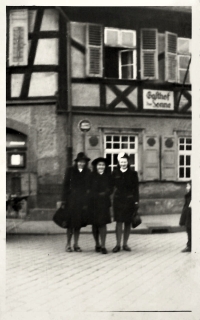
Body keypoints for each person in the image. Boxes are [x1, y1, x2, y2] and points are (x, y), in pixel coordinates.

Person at [61, 152, 91, 252]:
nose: (81, 163)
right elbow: (65, 186)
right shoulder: (70, 170)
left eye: (83, 162)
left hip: (81, 201)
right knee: (70, 224)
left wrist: (86, 202)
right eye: (80, 161)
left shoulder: (88, 172)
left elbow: (88, 188)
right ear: (76, 162)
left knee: (78, 224)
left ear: (86, 163)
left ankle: (76, 244)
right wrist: (63, 200)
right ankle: (68, 244)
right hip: (70, 200)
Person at [112, 152, 139, 253]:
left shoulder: (133, 174)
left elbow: (136, 189)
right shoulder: (115, 173)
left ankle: (125, 244)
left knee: (127, 222)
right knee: (119, 222)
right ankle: (117, 244)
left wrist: (136, 202)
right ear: (119, 162)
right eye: (121, 162)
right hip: (118, 201)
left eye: (125, 161)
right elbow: (111, 186)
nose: (123, 163)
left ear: (128, 162)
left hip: (129, 200)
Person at [90, 157, 113, 254]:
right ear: (96, 166)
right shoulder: (91, 176)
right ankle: (97, 244)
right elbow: (88, 189)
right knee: (95, 224)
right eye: (99, 165)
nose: (101, 167)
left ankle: (103, 245)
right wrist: (95, 195)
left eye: (103, 165)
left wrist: (106, 193)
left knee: (103, 223)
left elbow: (111, 188)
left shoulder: (108, 176)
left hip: (104, 203)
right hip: (93, 202)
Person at [180, 181, 192, 252]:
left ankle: (190, 245)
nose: (186, 188)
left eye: (188, 186)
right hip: (188, 216)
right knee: (188, 230)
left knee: (190, 230)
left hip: (190, 216)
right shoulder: (188, 195)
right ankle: (189, 244)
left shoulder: (191, 196)